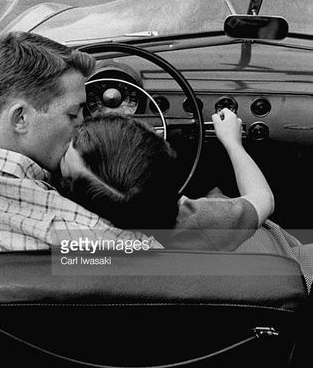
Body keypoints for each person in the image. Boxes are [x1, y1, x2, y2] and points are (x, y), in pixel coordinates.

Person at [0, 31, 162, 271]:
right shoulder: (88, 233)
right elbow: (169, 263)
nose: (83, 124)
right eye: (73, 114)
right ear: (20, 118)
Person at [58, 109, 313, 289]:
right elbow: (263, 199)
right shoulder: (203, 222)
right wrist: (232, 141)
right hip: (287, 261)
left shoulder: (79, 243)